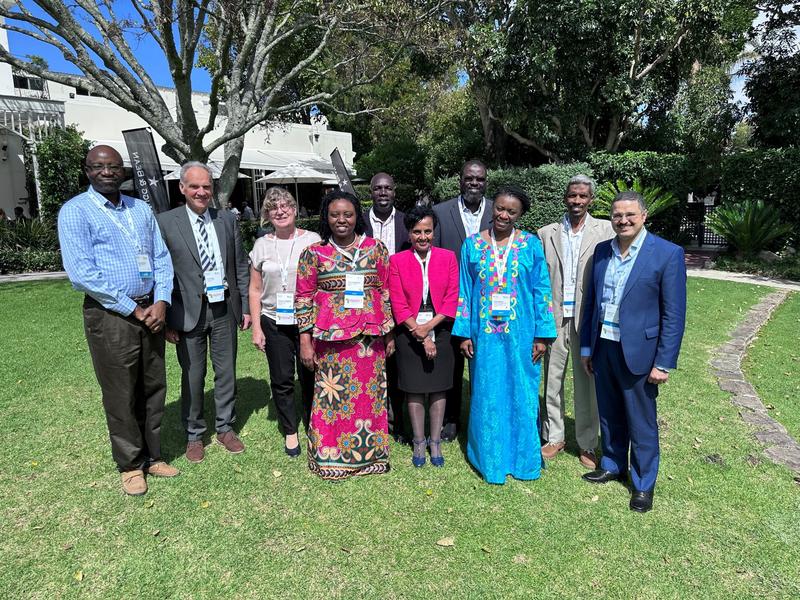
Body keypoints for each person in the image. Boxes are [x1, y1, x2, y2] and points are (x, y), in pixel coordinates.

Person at [58, 145, 178, 496]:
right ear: (87, 171)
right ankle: (130, 464)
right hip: (111, 315)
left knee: (153, 386)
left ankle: (154, 456)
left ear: (123, 171)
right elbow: (82, 274)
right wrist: (133, 309)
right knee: (120, 391)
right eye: (98, 167)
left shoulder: (140, 209)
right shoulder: (76, 212)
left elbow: (161, 257)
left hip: (151, 312)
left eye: (113, 167)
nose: (106, 172)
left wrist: (161, 300)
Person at [580, 191, 687, 513]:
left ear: (644, 216)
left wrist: (664, 362)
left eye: (630, 215)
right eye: (617, 215)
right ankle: (613, 464)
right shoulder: (601, 251)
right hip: (604, 345)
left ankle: (643, 483)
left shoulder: (666, 254)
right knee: (610, 413)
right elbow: (591, 303)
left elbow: (674, 314)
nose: (623, 221)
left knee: (641, 421)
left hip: (641, 352)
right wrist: (587, 346)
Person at [452, 186, 556, 485]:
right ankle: (490, 459)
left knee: (522, 392)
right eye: (499, 208)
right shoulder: (472, 246)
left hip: (522, 335)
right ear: (491, 208)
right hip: (483, 336)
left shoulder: (531, 245)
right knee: (487, 392)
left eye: (511, 211)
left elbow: (541, 290)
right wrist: (463, 334)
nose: (504, 215)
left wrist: (542, 335)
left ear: (520, 215)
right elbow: (465, 292)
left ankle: (523, 459)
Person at [295, 190, 394, 480]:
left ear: (357, 217)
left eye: (348, 214)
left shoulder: (377, 249)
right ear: (326, 217)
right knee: (333, 398)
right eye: (335, 214)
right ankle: (330, 456)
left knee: (369, 398)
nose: (342, 220)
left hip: (370, 339)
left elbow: (385, 293)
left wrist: (389, 334)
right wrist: (304, 340)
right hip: (330, 342)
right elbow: (302, 297)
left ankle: (371, 457)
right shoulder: (314, 253)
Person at [157, 162, 251, 464]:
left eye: (206, 186)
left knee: (226, 372)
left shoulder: (226, 219)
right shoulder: (165, 222)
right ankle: (194, 434)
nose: (201, 192)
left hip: (224, 308)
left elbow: (239, 266)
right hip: (187, 312)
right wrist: (167, 318)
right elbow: (161, 273)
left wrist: (246, 307)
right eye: (194, 186)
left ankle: (225, 427)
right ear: (182, 188)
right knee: (193, 375)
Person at [537, 175, 614, 469]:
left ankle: (587, 443)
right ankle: (554, 436)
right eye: (572, 196)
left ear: (591, 199)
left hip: (588, 319)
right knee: (552, 381)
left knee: (587, 383)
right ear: (565, 198)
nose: (577, 201)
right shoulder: (547, 234)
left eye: (583, 196)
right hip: (555, 319)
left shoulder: (605, 230)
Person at [249, 187, 321, 457]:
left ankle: (314, 422)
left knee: (311, 373)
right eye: (273, 208)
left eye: (285, 206)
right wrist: (256, 327)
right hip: (273, 319)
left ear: (294, 209)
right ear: (267, 214)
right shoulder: (261, 245)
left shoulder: (313, 240)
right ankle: (291, 431)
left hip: (308, 319)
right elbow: (255, 290)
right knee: (281, 378)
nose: (280, 211)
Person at [388, 205, 459, 468]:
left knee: (439, 387)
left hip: (440, 328)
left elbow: (453, 297)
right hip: (409, 331)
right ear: (409, 233)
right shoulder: (397, 261)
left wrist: (429, 327)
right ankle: (419, 441)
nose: (423, 237)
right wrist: (419, 334)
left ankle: (435, 440)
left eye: (427, 231)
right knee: (414, 389)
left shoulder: (448, 257)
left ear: (434, 231)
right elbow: (397, 302)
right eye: (417, 231)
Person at [433, 159, 494, 442]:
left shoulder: (498, 211)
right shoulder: (441, 211)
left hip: (490, 302)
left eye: (479, 179)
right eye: (469, 178)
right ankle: (452, 419)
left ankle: (483, 420)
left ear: (485, 182)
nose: (474, 183)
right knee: (453, 363)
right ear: (460, 180)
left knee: (484, 362)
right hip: (451, 300)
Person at [363, 172, 410, 443]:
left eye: (388, 188)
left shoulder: (406, 222)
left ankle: (398, 420)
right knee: (368, 362)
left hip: (400, 301)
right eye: (378, 188)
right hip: (365, 303)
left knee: (396, 364)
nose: (383, 192)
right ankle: (371, 418)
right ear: (371, 191)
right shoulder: (358, 221)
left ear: (394, 192)